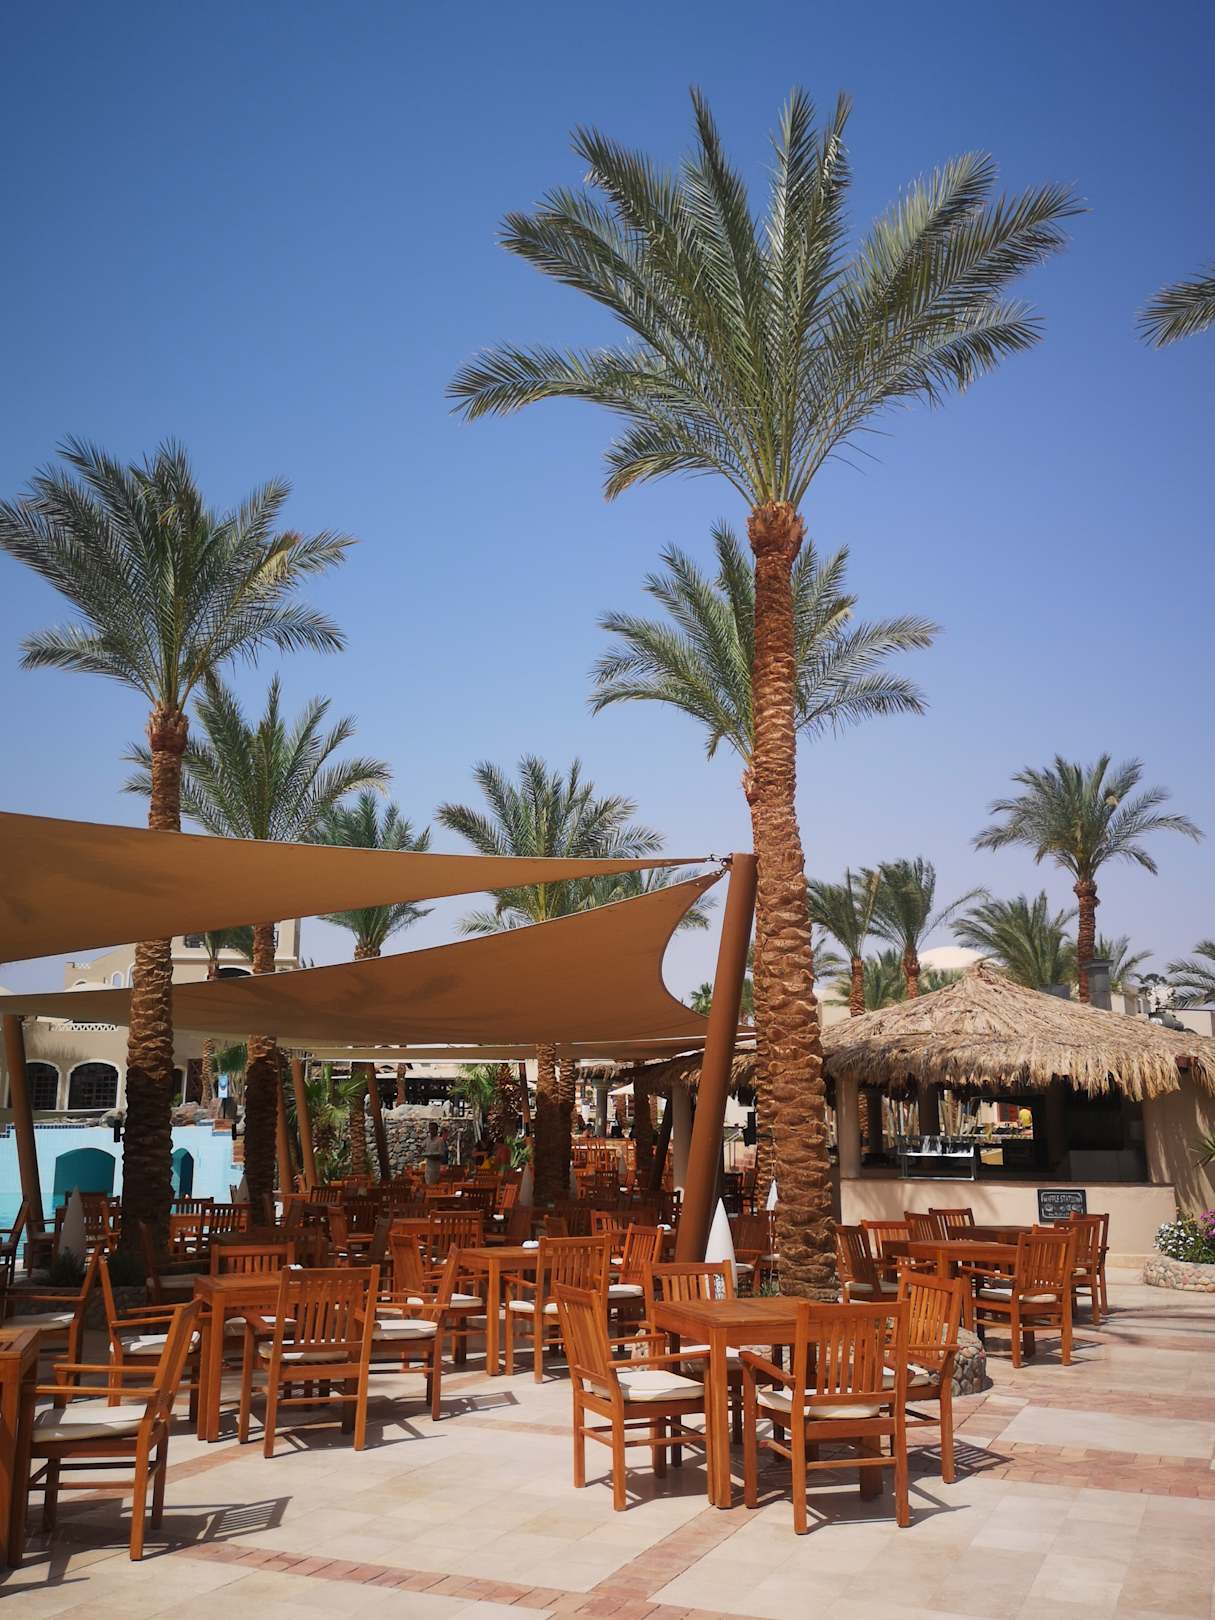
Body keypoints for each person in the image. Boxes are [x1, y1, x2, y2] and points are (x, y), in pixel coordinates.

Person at [421, 1120, 445, 1186]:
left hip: (435, 1166)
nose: (431, 1131)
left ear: (436, 1130)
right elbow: (422, 1148)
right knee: (427, 1183)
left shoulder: (440, 1140)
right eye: (430, 1129)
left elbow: (441, 1154)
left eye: (432, 1129)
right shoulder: (427, 1139)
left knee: (433, 1184)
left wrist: (431, 1156)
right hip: (428, 1166)